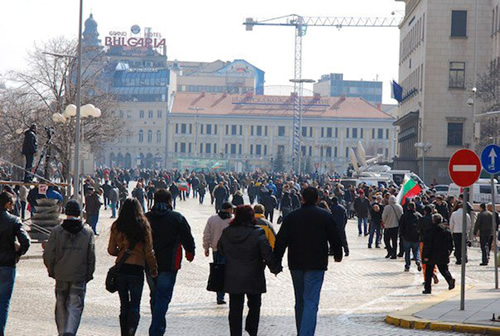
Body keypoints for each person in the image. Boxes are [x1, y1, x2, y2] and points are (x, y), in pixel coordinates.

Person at [274, 187, 343, 336]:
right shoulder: (325, 216)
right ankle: (306, 333)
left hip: (296, 262)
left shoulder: (292, 217)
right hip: (316, 263)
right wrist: (338, 254)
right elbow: (335, 237)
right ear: (317, 199)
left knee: (300, 301)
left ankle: (302, 331)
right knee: (311, 301)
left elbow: (281, 240)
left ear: (302, 198)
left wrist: (276, 261)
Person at [218, 205, 281, 336]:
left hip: (233, 275)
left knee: (235, 308)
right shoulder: (257, 232)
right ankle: (252, 330)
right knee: (254, 305)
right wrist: (274, 267)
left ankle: (235, 333)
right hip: (254, 275)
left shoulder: (227, 231)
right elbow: (267, 254)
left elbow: (221, 250)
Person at [146, 190, 195, 336]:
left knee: (155, 295)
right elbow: (187, 237)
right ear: (169, 201)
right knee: (163, 296)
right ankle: (156, 329)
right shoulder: (176, 218)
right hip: (170, 263)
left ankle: (157, 326)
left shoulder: (146, 218)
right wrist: (190, 252)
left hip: (150, 263)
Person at [43, 200, 95, 336]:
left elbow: (49, 254)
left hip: (61, 273)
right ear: (79, 213)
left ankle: (61, 331)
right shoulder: (87, 232)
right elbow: (91, 256)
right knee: (75, 306)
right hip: (79, 274)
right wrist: (88, 274)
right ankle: (70, 332)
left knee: (60, 303)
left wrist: (52, 270)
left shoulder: (57, 231)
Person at [108, 198, 158, 336]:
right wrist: (153, 268)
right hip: (137, 269)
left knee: (124, 305)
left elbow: (111, 250)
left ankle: (124, 333)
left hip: (122, 269)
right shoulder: (144, 225)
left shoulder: (117, 225)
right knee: (135, 304)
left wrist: (122, 253)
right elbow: (149, 251)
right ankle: (131, 331)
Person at [0, 192, 30, 335]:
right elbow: (26, 242)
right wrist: (17, 254)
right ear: (7, 204)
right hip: (7, 264)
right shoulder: (14, 220)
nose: (13, 207)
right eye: (12, 203)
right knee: (3, 302)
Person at [203, 202, 233, 304]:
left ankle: (219, 296)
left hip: (215, 250)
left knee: (218, 272)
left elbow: (207, 234)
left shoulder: (212, 219)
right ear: (229, 209)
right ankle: (227, 294)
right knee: (228, 272)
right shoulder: (232, 221)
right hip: (229, 251)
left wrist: (206, 247)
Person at [422, 214, 455, 294]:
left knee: (428, 272)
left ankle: (428, 289)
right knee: (444, 269)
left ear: (433, 220)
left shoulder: (429, 230)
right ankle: (449, 279)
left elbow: (427, 244)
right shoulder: (446, 230)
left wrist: (425, 255)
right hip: (443, 253)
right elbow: (451, 244)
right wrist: (448, 252)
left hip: (431, 254)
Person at [399, 202, 422, 272]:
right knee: (416, 251)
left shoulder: (404, 215)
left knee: (407, 252)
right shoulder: (418, 215)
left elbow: (401, 226)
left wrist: (401, 235)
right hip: (416, 237)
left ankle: (407, 266)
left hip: (406, 237)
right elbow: (421, 226)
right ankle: (418, 260)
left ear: (408, 207)